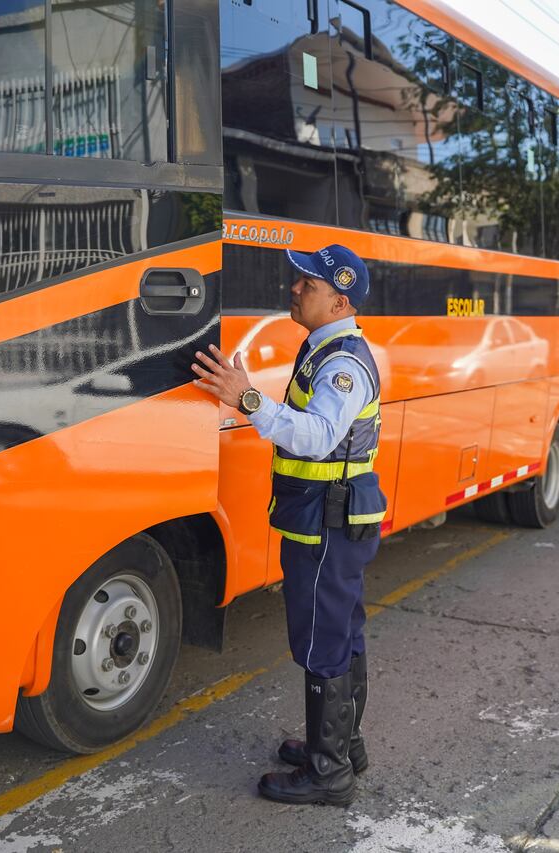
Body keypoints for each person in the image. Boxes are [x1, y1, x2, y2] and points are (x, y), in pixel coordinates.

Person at [191, 244, 386, 807]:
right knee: (342, 633)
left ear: (339, 299)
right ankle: (344, 748)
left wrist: (245, 398)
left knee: (323, 640)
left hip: (327, 521)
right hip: (328, 516)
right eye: (299, 278)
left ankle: (329, 776)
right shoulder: (324, 347)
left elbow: (316, 436)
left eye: (309, 283)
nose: (295, 287)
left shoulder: (343, 363)